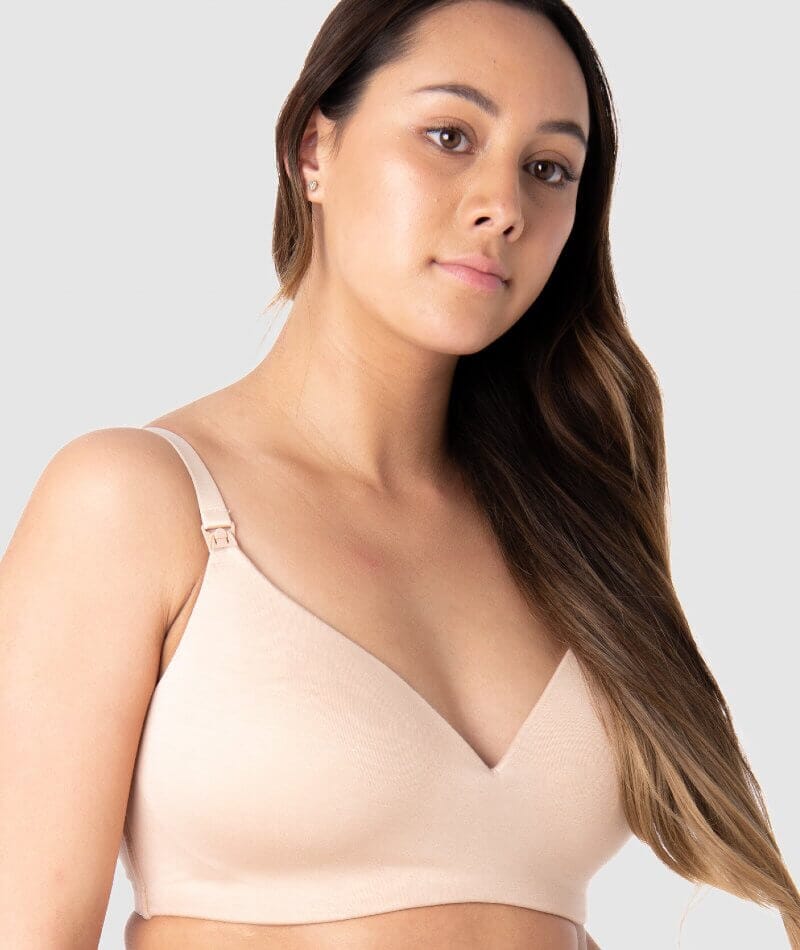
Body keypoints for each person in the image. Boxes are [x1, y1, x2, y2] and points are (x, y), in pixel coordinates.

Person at [1, 1, 798, 948]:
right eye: (450, 136)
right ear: (313, 151)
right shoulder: (135, 501)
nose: (504, 205)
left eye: (549, 168)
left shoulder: (573, 526)